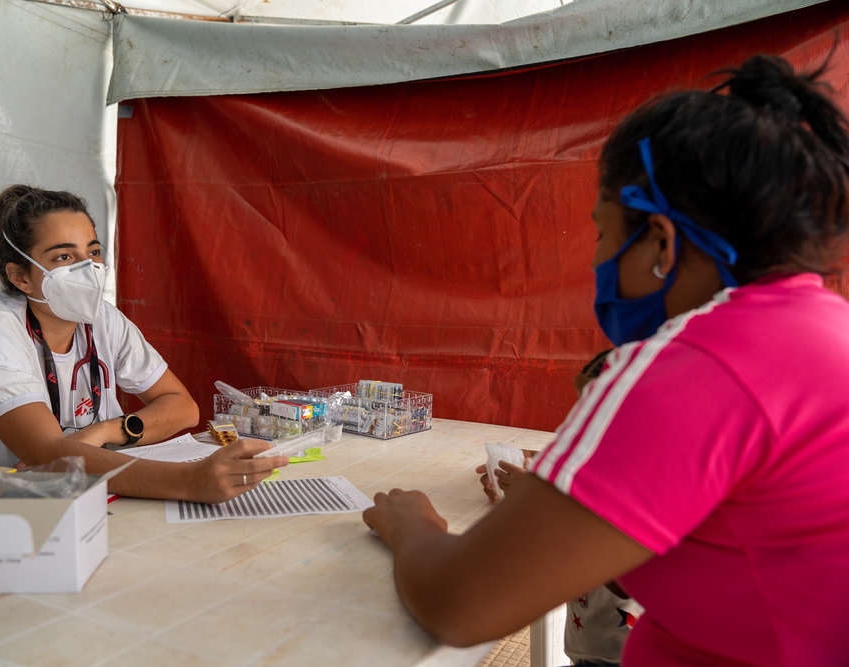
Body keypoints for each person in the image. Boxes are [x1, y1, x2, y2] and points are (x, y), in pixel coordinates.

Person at [362, 52, 849, 665]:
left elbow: (463, 603)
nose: (595, 258)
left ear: (662, 244)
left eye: (603, 232)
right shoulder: (821, 325)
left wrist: (412, 524)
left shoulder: (696, 365)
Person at [0, 185, 286, 502]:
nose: (88, 268)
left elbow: (183, 407)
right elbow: (51, 458)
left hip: (82, 495)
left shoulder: (103, 319)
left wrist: (106, 431)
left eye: (93, 252)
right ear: (21, 277)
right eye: (64, 257)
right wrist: (189, 481)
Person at [480, 349, 643, 666]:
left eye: (604, 416)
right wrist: (535, 466)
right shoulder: (592, 463)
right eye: (584, 415)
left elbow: (622, 576)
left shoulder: (657, 487)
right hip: (586, 644)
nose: (588, 432)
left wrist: (539, 503)